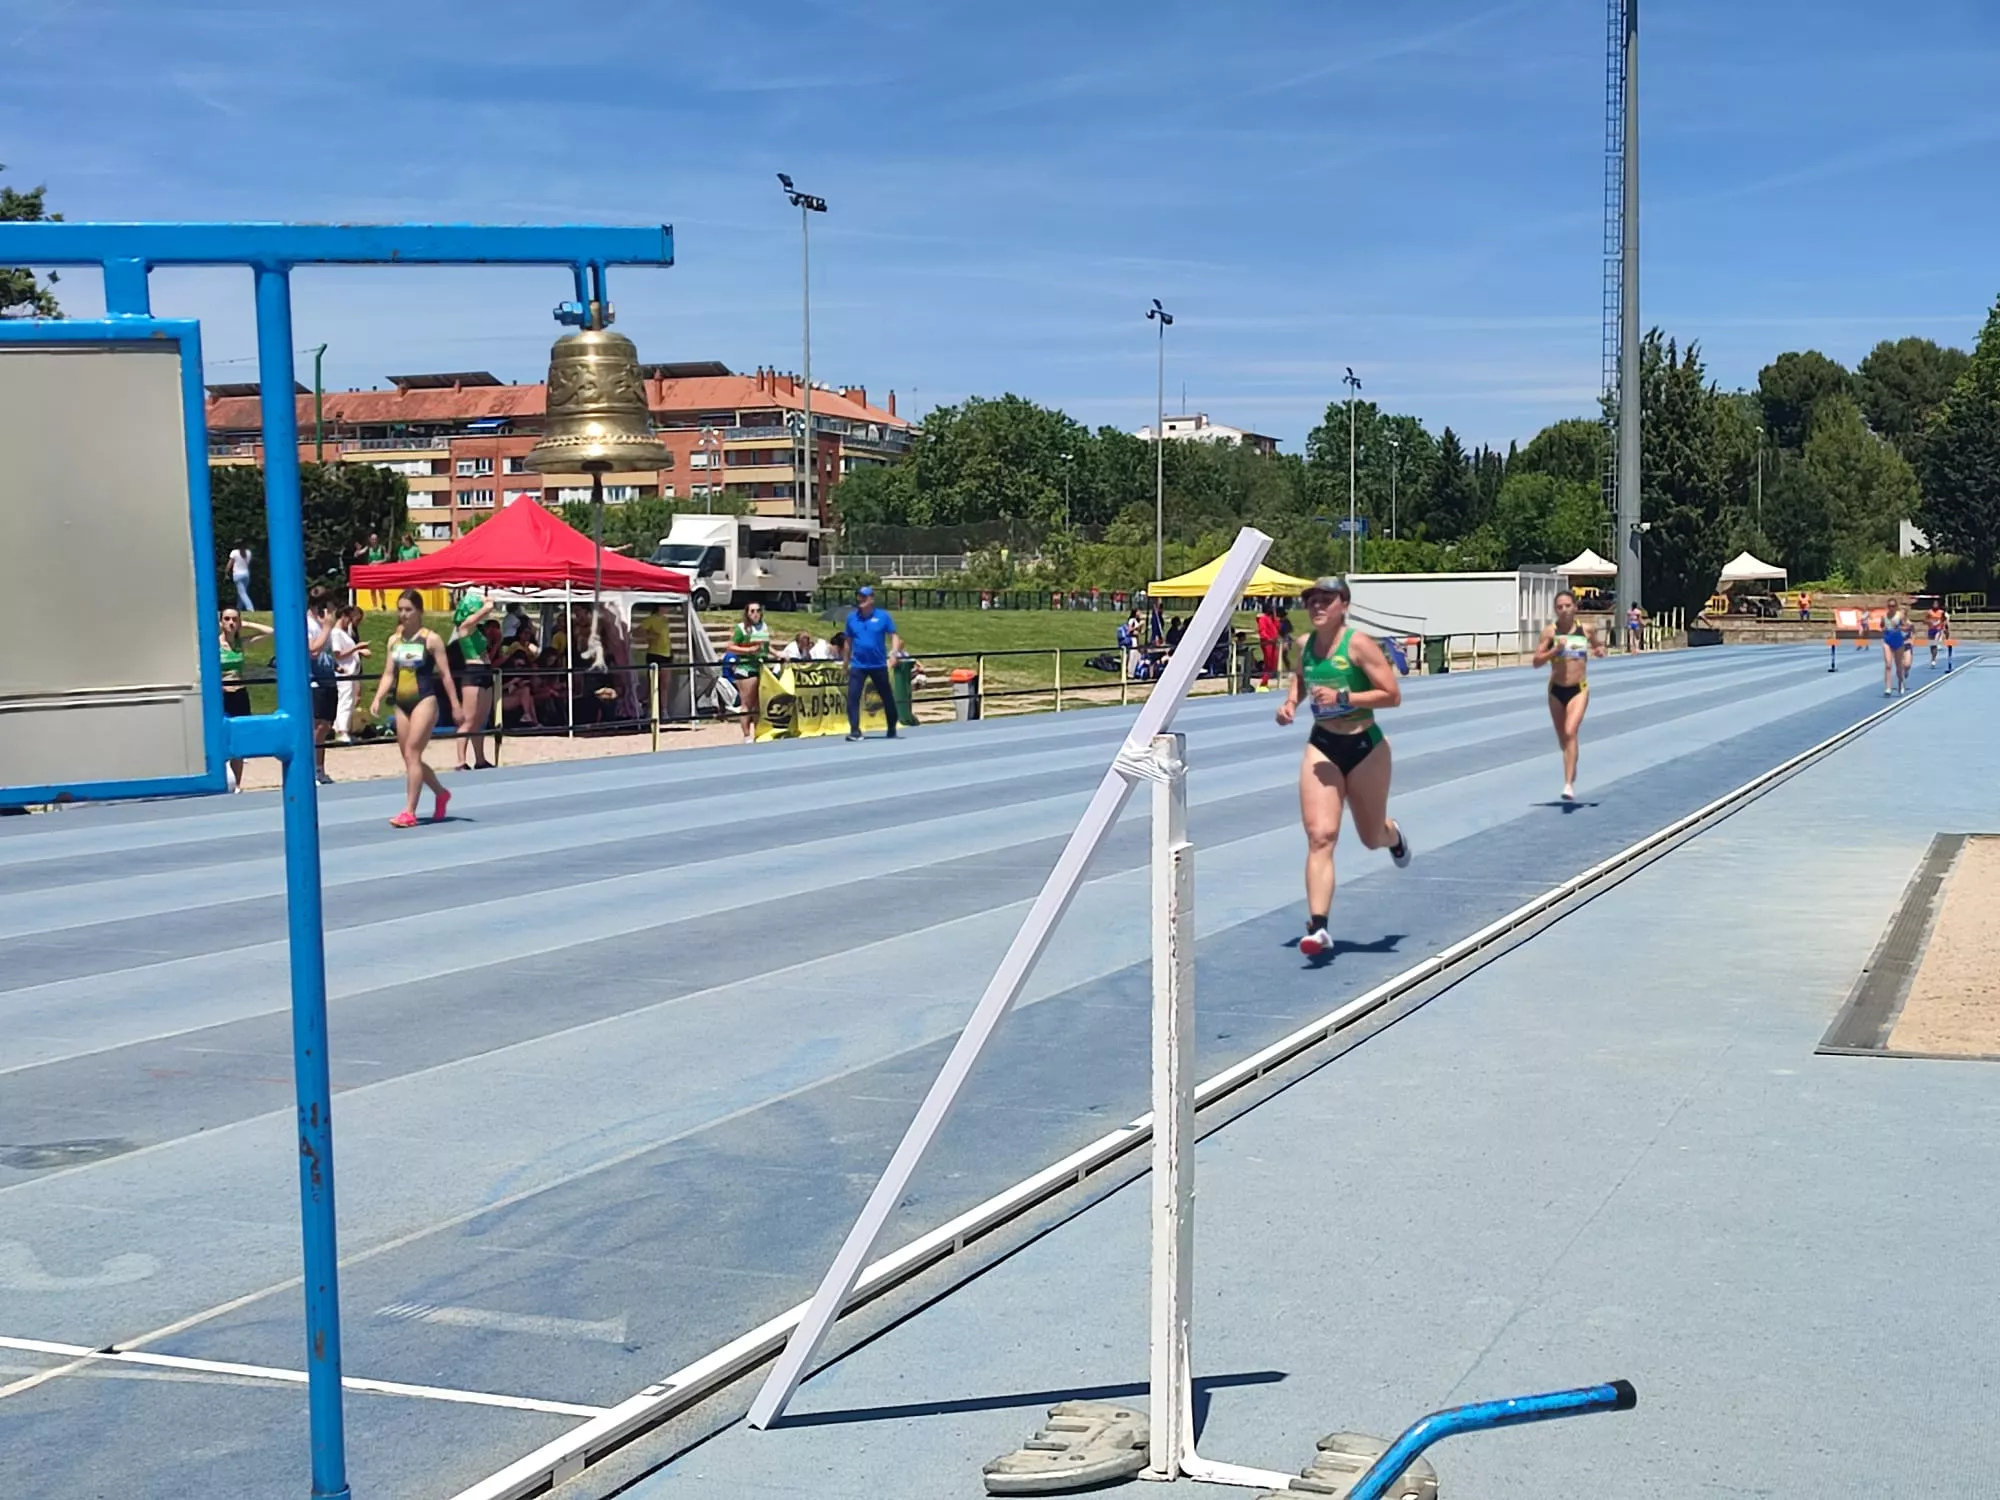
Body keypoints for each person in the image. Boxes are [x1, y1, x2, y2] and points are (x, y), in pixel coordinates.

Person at [1275, 577, 1410, 959]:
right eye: (1312, 601)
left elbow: (1392, 695)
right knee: (1321, 836)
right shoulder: (1304, 646)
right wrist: (1290, 704)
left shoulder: (1360, 645)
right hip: (1323, 746)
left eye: (1326, 600)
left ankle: (1393, 836)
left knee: (1371, 836)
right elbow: (1300, 678)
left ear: (1343, 605)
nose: (1318, 606)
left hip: (1366, 746)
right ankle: (1318, 929)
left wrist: (1344, 696)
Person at [369, 588, 461, 827]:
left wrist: (455, 705)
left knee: (412, 753)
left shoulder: (431, 639)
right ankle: (441, 793)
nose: (403, 614)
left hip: (424, 700)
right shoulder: (394, 640)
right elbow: (389, 673)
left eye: (408, 609)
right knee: (410, 757)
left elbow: (446, 675)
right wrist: (378, 697)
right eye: (400, 609)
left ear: (419, 611)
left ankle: (409, 811)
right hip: (401, 701)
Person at [1534, 590, 1606, 802]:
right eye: (1560, 607)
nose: (1564, 610)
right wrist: (1554, 651)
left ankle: (1568, 783)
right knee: (1563, 739)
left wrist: (1600, 651)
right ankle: (1570, 765)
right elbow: (1536, 662)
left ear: (1575, 607)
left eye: (1567, 605)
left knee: (1570, 730)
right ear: (1555, 610)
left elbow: (1598, 646)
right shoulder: (1550, 632)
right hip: (1556, 690)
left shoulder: (1586, 630)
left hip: (1578, 688)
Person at [218, 607, 274, 790]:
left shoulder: (240, 643)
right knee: (222, 736)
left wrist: (247, 623)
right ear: (221, 622)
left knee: (239, 738)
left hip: (240, 692)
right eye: (227, 619)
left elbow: (270, 632)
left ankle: (238, 784)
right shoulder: (215, 644)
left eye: (234, 619)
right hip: (222, 693)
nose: (231, 623)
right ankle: (223, 780)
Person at [842, 586, 901, 742]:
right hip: (859, 665)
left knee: (886, 696)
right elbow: (848, 641)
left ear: (871, 599)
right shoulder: (852, 618)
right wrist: (845, 662)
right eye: (859, 597)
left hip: (878, 664)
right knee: (852, 697)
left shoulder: (882, 616)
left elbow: (894, 636)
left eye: (864, 597)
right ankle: (855, 730)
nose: (861, 600)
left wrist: (894, 653)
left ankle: (892, 726)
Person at [450, 586, 497, 771]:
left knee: (480, 720)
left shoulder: (476, 630)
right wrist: (486, 605)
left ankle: (480, 758)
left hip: (484, 669)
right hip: (473, 670)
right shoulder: (464, 627)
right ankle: (461, 760)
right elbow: (480, 614)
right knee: (468, 720)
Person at [306, 589, 339, 785]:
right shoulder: (308, 624)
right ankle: (310, 769)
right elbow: (312, 650)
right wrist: (327, 628)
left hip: (329, 678)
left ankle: (320, 768)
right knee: (316, 726)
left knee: (325, 726)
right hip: (314, 680)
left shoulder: (321, 623)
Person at [730, 601, 772, 742]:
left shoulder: (763, 627)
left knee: (758, 703)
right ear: (747, 613)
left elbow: (766, 646)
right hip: (746, 667)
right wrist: (747, 650)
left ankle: (758, 732)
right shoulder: (741, 629)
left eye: (758, 610)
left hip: (761, 666)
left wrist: (778, 654)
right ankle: (747, 735)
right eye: (752, 611)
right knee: (746, 703)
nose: (755, 614)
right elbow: (730, 647)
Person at [330, 605, 369, 744]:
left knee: (350, 701)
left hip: (351, 672)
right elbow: (338, 654)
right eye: (348, 618)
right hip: (345, 672)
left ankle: (342, 727)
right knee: (345, 700)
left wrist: (358, 652)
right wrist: (357, 648)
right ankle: (341, 731)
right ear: (344, 617)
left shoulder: (343, 633)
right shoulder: (336, 633)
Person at [1881, 597, 1912, 695]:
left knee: (1899, 666)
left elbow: (1907, 627)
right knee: (1888, 665)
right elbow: (1881, 626)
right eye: (1889, 606)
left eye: (1893, 606)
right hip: (1888, 641)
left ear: (1896, 607)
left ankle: (1901, 683)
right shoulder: (1884, 616)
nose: (1891, 608)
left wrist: (1898, 627)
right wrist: (1884, 629)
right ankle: (1888, 687)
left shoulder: (1900, 616)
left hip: (1898, 641)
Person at [1256, 603, 1281, 686]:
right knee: (1268, 661)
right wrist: (1267, 638)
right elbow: (1262, 631)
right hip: (1267, 642)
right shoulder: (1262, 619)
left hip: (1273, 641)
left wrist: (1275, 617)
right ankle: (1264, 680)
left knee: (1275, 660)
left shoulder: (1272, 618)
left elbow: (1277, 626)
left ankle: (1268, 676)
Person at [227, 545, 255, 612]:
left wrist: (226, 571)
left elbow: (230, 563)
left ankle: (250, 608)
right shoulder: (248, 552)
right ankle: (238, 608)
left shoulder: (234, 552)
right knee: (242, 592)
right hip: (246, 573)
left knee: (242, 593)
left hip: (237, 574)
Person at [1927, 600, 1949, 668]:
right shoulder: (1929, 612)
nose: (1935, 605)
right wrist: (1930, 622)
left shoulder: (1941, 612)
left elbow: (1945, 620)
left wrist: (1945, 628)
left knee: (1935, 643)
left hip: (1938, 630)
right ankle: (1933, 658)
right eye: (1934, 604)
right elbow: (1925, 620)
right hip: (1931, 630)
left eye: (1936, 604)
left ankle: (1934, 660)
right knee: (1932, 645)